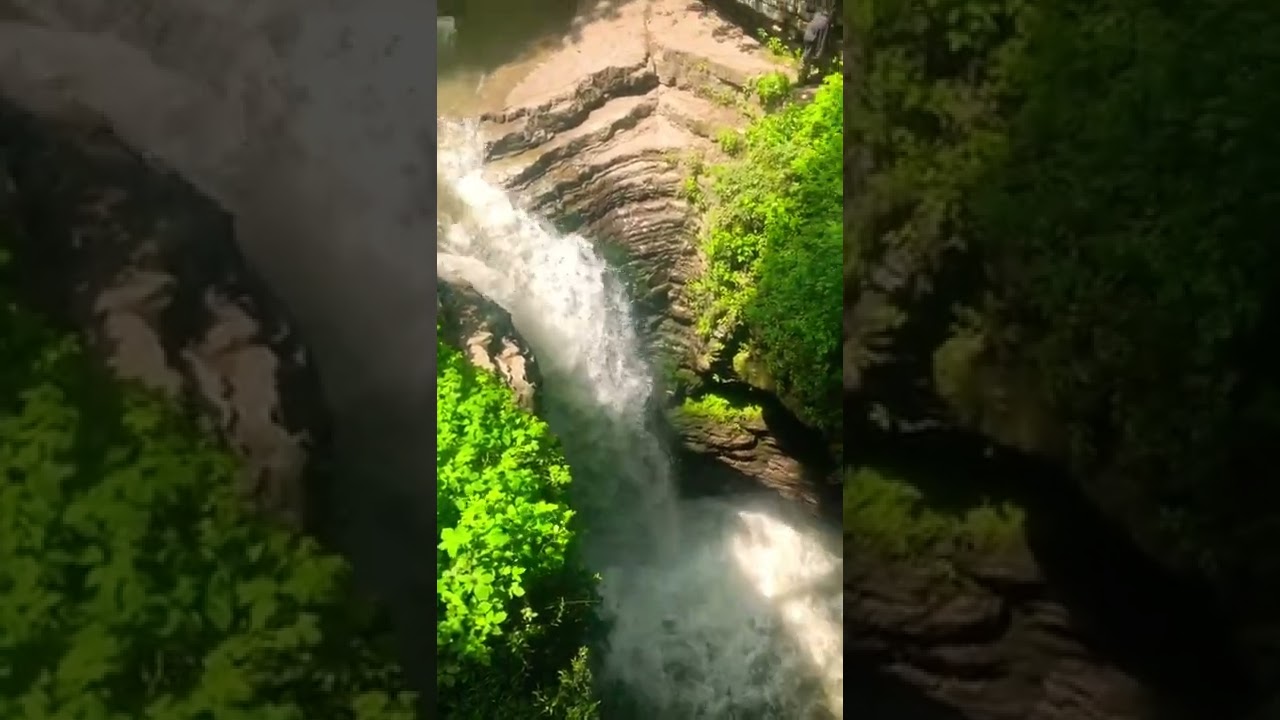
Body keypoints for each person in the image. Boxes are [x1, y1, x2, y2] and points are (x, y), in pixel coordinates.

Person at [799, 4, 832, 83]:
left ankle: (802, 77)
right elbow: (823, 37)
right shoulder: (826, 22)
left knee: (806, 57)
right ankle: (802, 79)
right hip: (812, 39)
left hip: (808, 36)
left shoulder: (818, 15)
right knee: (807, 58)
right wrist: (819, 51)